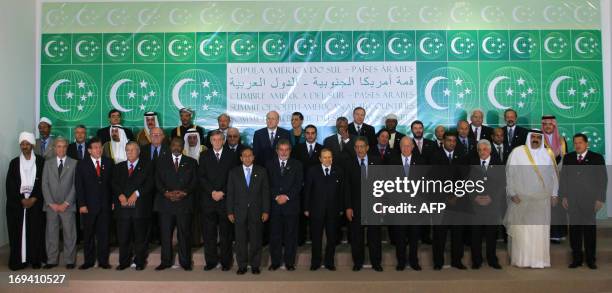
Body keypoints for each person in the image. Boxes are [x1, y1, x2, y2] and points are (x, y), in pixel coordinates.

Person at [505, 131, 559, 268]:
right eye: (533, 137)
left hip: (542, 201)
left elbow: (554, 176)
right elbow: (510, 174)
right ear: (529, 138)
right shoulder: (517, 152)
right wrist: (512, 193)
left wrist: (554, 194)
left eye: (538, 138)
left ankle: (540, 261)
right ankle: (522, 260)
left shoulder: (548, 154)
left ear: (542, 140)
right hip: (522, 199)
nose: (535, 140)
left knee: (540, 231)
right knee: (524, 231)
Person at [560, 133, 607, 270]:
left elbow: (602, 180)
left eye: (580, 142)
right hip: (572, 201)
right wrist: (563, 196)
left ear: (587, 144)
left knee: (589, 231)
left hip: (590, 201)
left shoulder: (596, 158)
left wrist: (600, 199)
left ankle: (591, 260)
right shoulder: (568, 158)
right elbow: (564, 179)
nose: (577, 145)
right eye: (575, 143)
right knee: (574, 231)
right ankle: (577, 259)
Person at [154, 137, 198, 271]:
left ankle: (185, 262)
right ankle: (165, 262)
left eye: (179, 145)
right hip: (165, 204)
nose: (176, 147)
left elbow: (195, 181)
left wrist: (185, 192)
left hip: (184, 203)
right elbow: (157, 181)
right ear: (170, 146)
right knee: (166, 235)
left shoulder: (191, 162)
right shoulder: (161, 161)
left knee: (184, 234)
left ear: (183, 146)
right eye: (174, 145)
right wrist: (166, 193)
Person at [226, 147, 270, 275]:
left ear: (253, 157)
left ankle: (255, 265)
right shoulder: (234, 172)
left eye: (249, 155)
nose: (247, 158)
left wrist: (266, 211)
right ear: (240, 158)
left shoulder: (261, 171)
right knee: (240, 241)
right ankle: (242, 265)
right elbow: (230, 194)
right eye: (244, 156)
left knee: (256, 239)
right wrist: (230, 212)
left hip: (257, 211)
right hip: (239, 212)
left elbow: (265, 193)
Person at [5, 132, 46, 270]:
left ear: (32, 145)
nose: (24, 146)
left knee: (35, 232)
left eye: (27, 144)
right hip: (18, 205)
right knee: (17, 233)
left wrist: (34, 197)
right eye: (22, 144)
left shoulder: (40, 161)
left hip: (36, 203)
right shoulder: (14, 162)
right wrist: (22, 200)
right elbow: (10, 185)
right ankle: (19, 261)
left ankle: (35, 259)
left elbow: (43, 182)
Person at [111, 142, 154, 271]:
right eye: (127, 150)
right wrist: (120, 195)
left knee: (140, 237)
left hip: (139, 208)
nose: (129, 153)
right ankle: (124, 262)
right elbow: (113, 183)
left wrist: (137, 193)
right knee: (123, 237)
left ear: (138, 151)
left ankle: (140, 262)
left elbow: (150, 183)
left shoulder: (147, 166)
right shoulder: (119, 167)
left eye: (132, 150)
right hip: (123, 208)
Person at [429, 131, 468, 270]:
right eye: (449, 140)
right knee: (439, 233)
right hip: (440, 201)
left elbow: (464, 179)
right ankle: (438, 262)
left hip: (458, 202)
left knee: (458, 233)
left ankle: (457, 261)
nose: (451, 143)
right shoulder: (435, 156)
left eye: (453, 141)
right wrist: (446, 197)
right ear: (443, 141)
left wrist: (456, 195)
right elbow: (432, 180)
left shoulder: (462, 156)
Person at [198, 130, 236, 271]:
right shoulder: (204, 155)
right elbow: (201, 177)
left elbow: (234, 177)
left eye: (220, 139)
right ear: (211, 141)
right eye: (214, 139)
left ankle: (226, 262)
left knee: (226, 234)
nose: (217, 142)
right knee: (209, 234)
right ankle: (211, 261)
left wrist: (222, 192)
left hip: (225, 200)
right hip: (209, 200)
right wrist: (212, 192)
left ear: (224, 140)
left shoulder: (231, 156)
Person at [304, 148, 347, 271]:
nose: (327, 159)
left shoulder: (338, 171)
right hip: (316, 210)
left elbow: (341, 191)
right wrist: (306, 208)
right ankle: (315, 262)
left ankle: (329, 262)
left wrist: (341, 208)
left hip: (333, 210)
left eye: (329, 157)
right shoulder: (312, 171)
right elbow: (308, 191)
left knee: (332, 237)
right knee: (316, 237)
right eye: (325, 157)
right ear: (320, 159)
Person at [345, 137, 383, 272]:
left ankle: (376, 262)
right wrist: (348, 207)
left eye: (362, 146)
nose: (360, 149)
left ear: (367, 148)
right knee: (357, 236)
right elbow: (347, 187)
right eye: (357, 147)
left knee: (374, 236)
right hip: (356, 206)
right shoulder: (349, 164)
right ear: (355, 149)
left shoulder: (377, 162)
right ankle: (358, 262)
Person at [387, 137, 425, 271]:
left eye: (409, 145)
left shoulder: (420, 162)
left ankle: (414, 261)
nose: (406, 148)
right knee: (400, 236)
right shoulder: (393, 161)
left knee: (414, 236)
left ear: (413, 147)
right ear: (400, 147)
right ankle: (401, 262)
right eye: (403, 145)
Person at [75, 137, 113, 270]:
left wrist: (112, 201)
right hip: (88, 206)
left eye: (100, 147)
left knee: (104, 234)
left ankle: (103, 261)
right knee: (88, 234)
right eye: (95, 147)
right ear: (89, 150)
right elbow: (79, 186)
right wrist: (82, 204)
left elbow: (112, 184)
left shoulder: (109, 162)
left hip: (105, 205)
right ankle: (88, 261)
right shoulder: (82, 164)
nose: (99, 149)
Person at [266, 139, 303, 271]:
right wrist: (276, 196)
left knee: (291, 236)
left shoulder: (297, 165)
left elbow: (298, 185)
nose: (284, 152)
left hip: (291, 206)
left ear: (290, 151)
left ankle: (289, 262)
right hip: (275, 206)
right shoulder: (269, 165)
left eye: (286, 149)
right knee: (275, 235)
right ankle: (275, 262)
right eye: (281, 149)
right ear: (277, 150)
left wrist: (286, 197)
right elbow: (267, 185)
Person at [468, 139, 504, 270]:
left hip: (492, 206)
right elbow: (467, 184)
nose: (481, 152)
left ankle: (492, 260)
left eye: (484, 149)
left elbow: (501, 184)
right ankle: (476, 260)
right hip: (476, 206)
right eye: (479, 150)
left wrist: (491, 198)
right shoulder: (472, 164)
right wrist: (475, 197)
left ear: (489, 150)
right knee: (475, 235)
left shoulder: (498, 164)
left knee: (491, 235)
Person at [42, 137, 78, 269]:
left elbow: (75, 185)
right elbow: (44, 184)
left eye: (64, 146)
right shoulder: (48, 163)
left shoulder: (74, 163)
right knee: (51, 234)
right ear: (54, 148)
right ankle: (51, 260)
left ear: (67, 148)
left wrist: (66, 202)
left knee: (70, 234)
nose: (61, 149)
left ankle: (69, 260)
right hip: (51, 206)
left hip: (67, 206)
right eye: (58, 146)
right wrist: (51, 203)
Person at [291, 125, 323, 246]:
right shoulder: (297, 148)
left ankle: (315, 240)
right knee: (301, 215)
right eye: (308, 133)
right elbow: (293, 167)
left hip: (317, 189)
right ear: (304, 134)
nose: (310, 135)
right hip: (301, 187)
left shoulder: (322, 148)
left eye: (312, 133)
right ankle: (301, 239)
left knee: (316, 216)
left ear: (316, 134)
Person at [541, 115, 569, 244]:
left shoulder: (562, 140)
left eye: (550, 124)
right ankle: (544, 234)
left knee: (557, 206)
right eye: (545, 124)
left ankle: (557, 234)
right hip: (543, 179)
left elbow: (566, 160)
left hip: (560, 177)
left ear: (554, 125)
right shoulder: (538, 139)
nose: (547, 126)